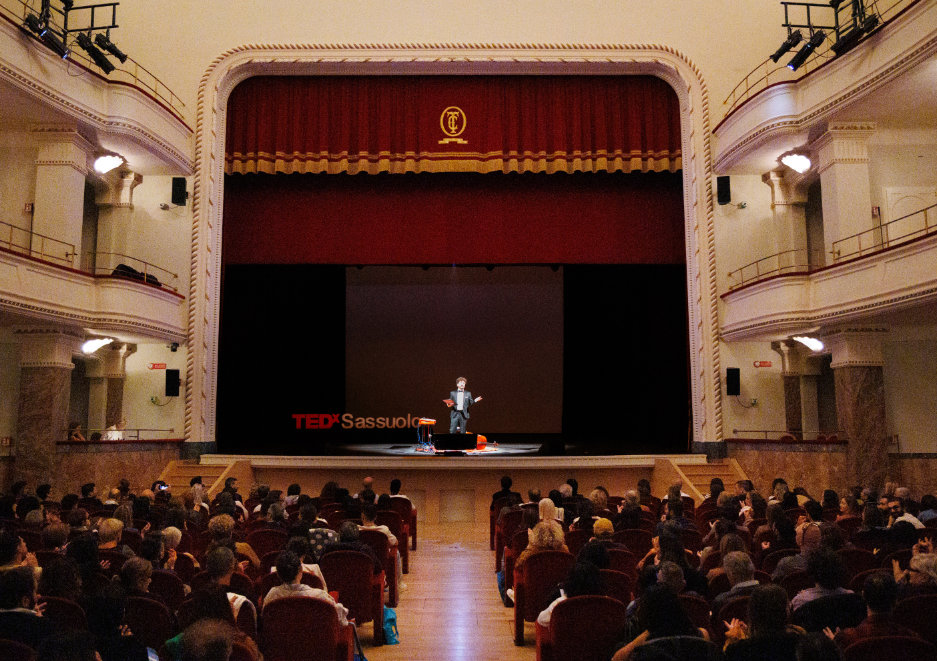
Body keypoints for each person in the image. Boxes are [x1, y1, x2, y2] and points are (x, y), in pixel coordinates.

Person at [825, 572, 921, 651]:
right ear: (896, 601)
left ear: (863, 596)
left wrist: (835, 645)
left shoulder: (847, 638)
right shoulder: (912, 638)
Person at [263, 550, 349, 625]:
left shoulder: (271, 597)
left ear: (278, 574)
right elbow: (339, 619)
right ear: (301, 570)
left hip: (283, 643)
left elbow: (266, 621)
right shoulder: (319, 596)